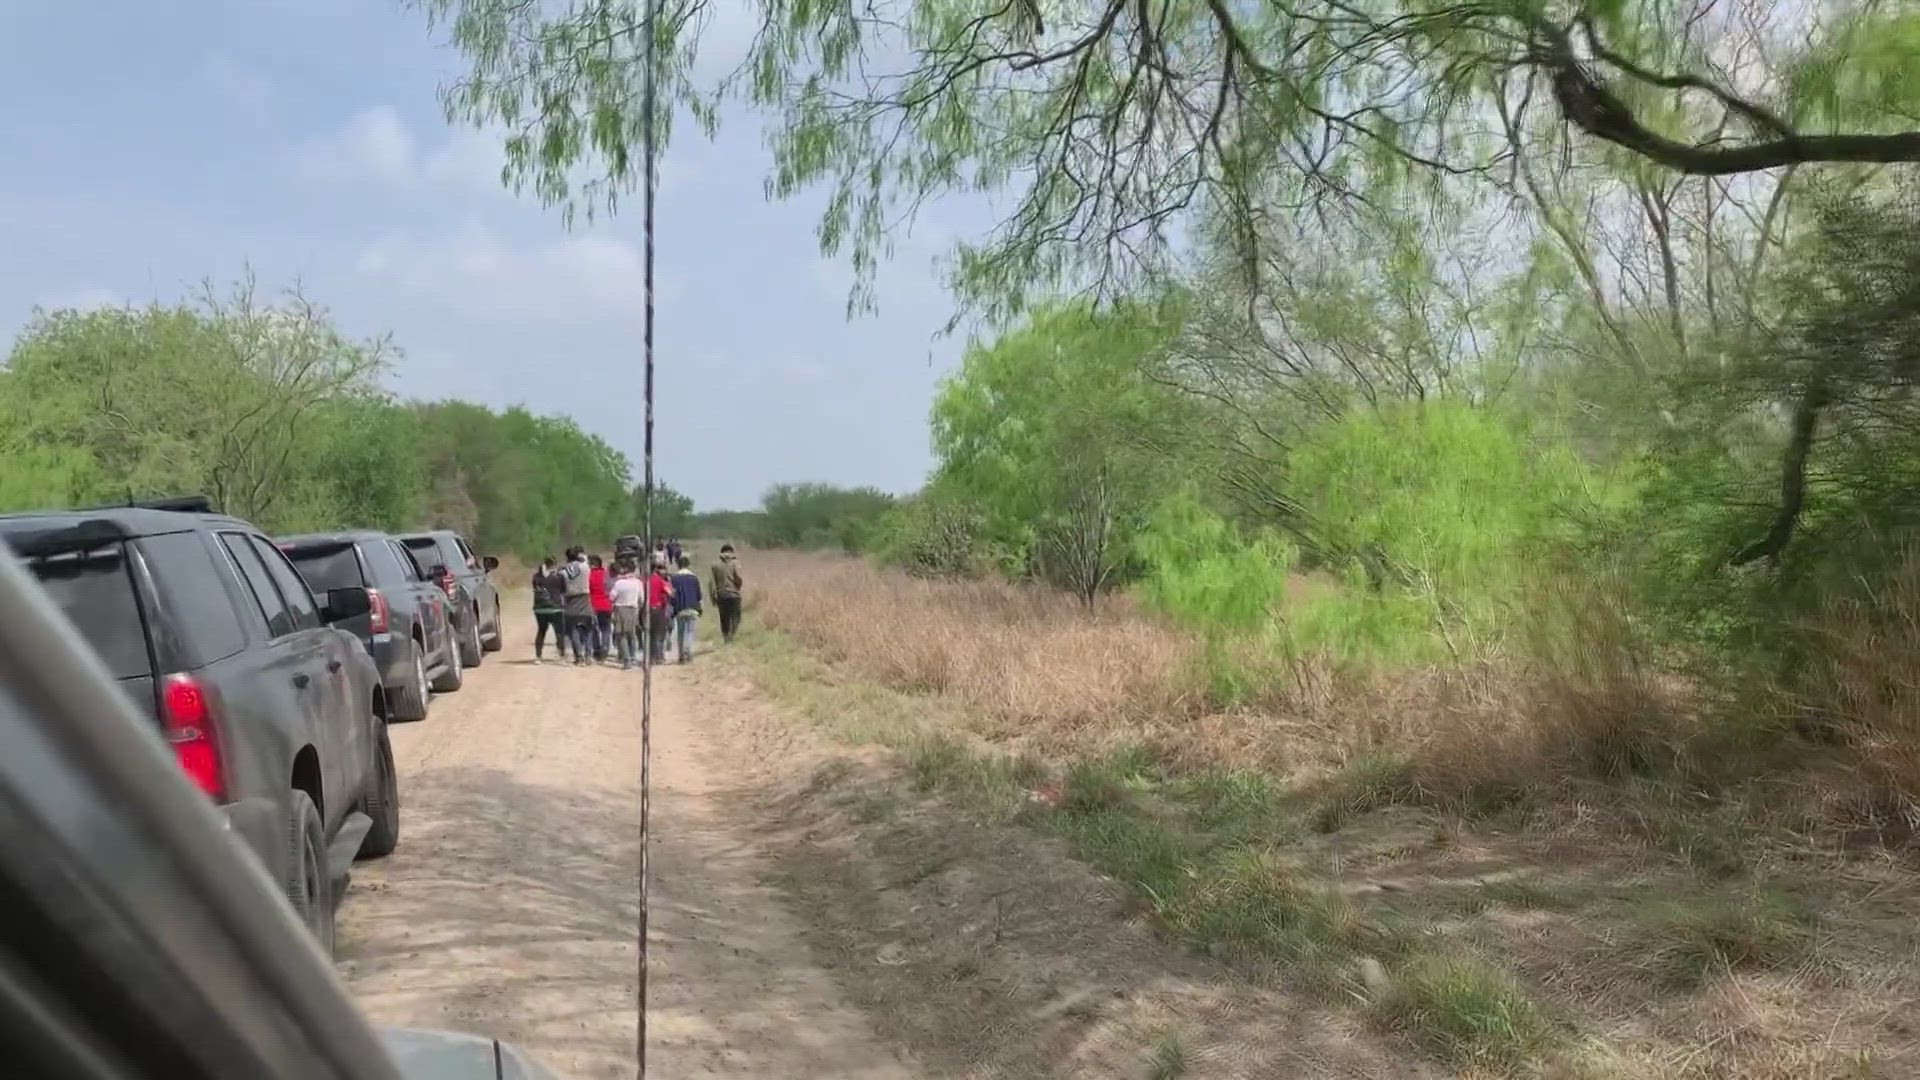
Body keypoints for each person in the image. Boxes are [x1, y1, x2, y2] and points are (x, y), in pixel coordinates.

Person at [560, 546, 595, 666]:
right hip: (584, 598)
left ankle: (579, 657)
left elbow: (562, 587)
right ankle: (589, 655)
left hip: (570, 600)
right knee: (588, 628)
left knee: (573, 630)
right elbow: (585, 562)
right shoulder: (585, 567)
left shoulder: (563, 572)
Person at [531, 556, 569, 663]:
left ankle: (538, 657)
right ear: (554, 564)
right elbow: (564, 590)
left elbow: (535, 586)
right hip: (555, 608)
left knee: (541, 631)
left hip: (540, 608)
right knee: (559, 633)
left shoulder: (536, 576)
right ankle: (562, 656)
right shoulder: (559, 576)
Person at [608, 561, 644, 669]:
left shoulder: (619, 583)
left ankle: (626, 660)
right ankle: (633, 657)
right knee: (632, 635)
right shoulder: (638, 583)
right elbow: (641, 599)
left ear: (625, 569)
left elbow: (611, 597)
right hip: (633, 609)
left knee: (621, 635)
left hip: (620, 609)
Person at [669, 554, 703, 663]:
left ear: (678, 565)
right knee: (689, 632)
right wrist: (700, 608)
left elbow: (672, 595)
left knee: (680, 632)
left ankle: (681, 655)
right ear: (688, 565)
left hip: (680, 609)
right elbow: (699, 596)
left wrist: (672, 608)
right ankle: (687, 653)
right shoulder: (694, 578)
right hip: (692, 608)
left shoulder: (674, 579)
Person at [710, 543, 744, 643]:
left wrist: (713, 597)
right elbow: (738, 577)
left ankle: (726, 637)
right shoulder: (735, 563)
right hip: (734, 594)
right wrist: (738, 586)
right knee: (736, 616)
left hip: (721, 595)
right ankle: (732, 635)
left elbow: (711, 583)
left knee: (724, 617)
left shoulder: (715, 564)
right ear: (731, 552)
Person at [646, 557, 675, 664]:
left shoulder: (644, 580)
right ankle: (659, 657)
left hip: (645, 609)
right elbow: (670, 593)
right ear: (655, 569)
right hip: (658, 609)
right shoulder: (660, 580)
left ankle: (650, 657)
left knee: (649, 634)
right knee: (659, 634)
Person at [588, 554, 613, 663]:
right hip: (606, 605)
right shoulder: (606, 574)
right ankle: (605, 650)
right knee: (606, 629)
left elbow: (587, 590)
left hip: (594, 605)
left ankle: (596, 650)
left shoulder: (589, 575)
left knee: (594, 629)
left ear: (593, 564)